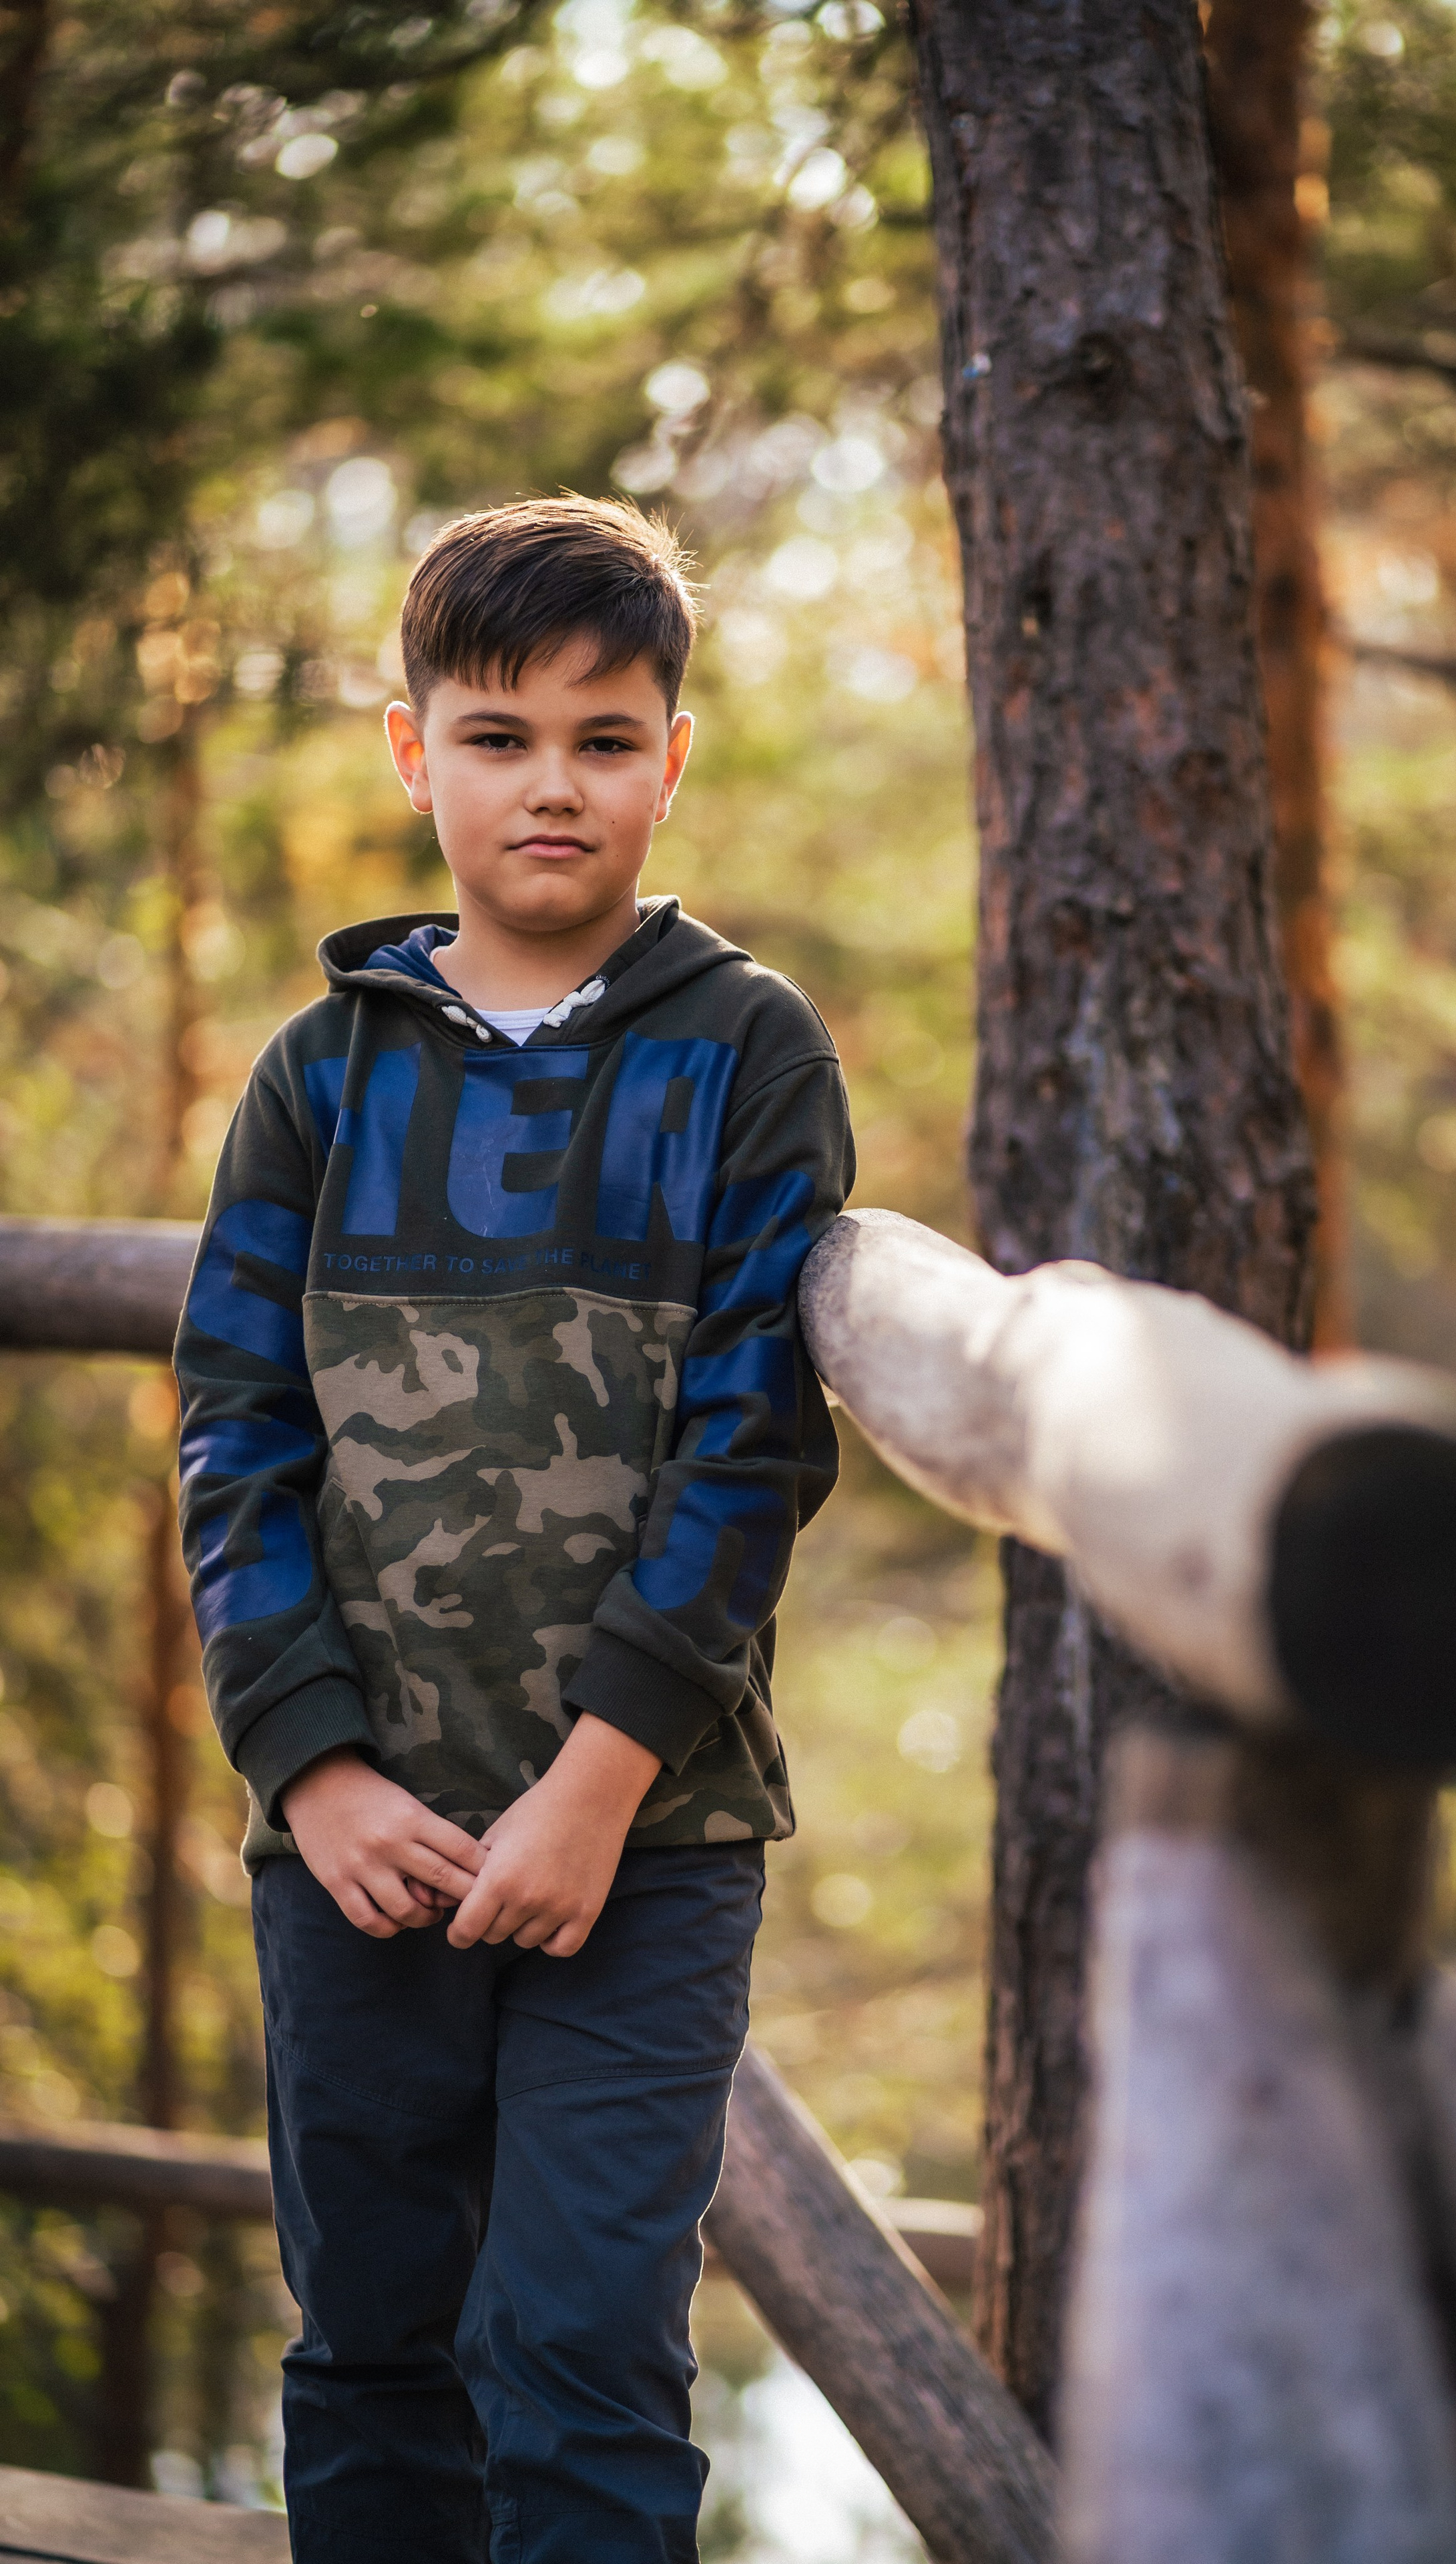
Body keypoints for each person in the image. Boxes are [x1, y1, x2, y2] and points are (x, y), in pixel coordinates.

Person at [174, 495, 855, 2563]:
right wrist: (312, 1768)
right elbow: (235, 1428)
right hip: (355, 1847)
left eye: (605, 735)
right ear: (413, 754)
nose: (551, 783)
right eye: (497, 734)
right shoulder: (320, 1076)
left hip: (638, 1848)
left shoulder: (747, 1055)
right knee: (372, 2349)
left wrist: (599, 1781)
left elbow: (753, 1441)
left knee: (580, 2356)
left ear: (675, 756)